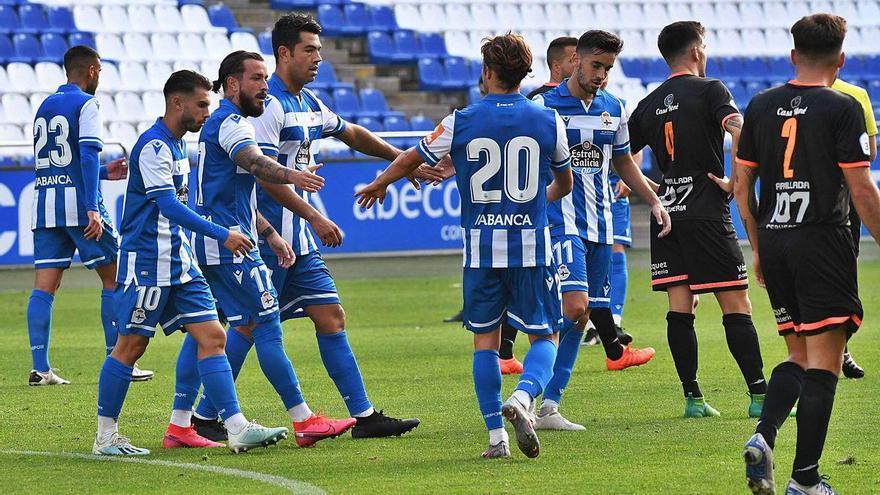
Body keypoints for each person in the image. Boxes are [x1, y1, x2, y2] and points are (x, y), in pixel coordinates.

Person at [193, 13, 420, 439]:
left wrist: (399, 161)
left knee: (330, 316)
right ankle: (208, 415)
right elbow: (263, 174)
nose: (318, 58)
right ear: (285, 53)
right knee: (246, 325)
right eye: (309, 50)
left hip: (300, 242)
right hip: (267, 238)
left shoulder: (308, 101)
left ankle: (365, 417)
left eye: (319, 49)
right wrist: (314, 215)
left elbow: (350, 131)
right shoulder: (266, 106)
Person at [356, 33, 573, 459]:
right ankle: (525, 398)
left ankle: (497, 439)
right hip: (531, 246)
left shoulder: (462, 120)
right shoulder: (548, 119)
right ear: (524, 73)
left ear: (488, 72)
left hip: (481, 250)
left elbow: (410, 159)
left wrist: (380, 183)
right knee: (545, 336)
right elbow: (563, 183)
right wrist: (529, 204)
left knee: (485, 344)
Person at [95, 70, 289, 455]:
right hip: (149, 262)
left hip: (181, 263)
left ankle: (235, 427)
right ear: (177, 103)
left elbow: (180, 208)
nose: (207, 111)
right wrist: (222, 234)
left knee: (214, 337)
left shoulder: (179, 146)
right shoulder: (152, 147)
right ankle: (105, 437)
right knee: (130, 347)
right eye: (201, 104)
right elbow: (166, 205)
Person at [179, 50, 353, 448]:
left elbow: (231, 191)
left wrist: (270, 232)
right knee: (265, 327)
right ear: (234, 84)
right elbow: (257, 165)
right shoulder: (230, 124)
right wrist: (294, 176)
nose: (264, 87)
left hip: (222, 240)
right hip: (230, 246)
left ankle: (182, 422)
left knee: (207, 332)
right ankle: (303, 419)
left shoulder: (223, 124)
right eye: (257, 79)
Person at [737, 14, 880, 495]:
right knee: (825, 360)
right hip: (822, 240)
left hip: (775, 239)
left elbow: (743, 187)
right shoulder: (844, 108)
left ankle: (764, 434)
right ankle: (805, 480)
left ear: (793, 55)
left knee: (798, 353)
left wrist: (758, 248)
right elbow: (862, 190)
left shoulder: (759, 105)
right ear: (841, 59)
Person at [627, 21, 769, 418]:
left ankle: (692, 399)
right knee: (736, 303)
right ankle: (759, 396)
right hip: (706, 212)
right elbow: (739, 126)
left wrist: (643, 187)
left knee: (681, 305)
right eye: (704, 46)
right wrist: (737, 179)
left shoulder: (649, 102)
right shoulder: (711, 90)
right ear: (695, 52)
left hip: (668, 213)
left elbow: (624, 151)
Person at [531, 30, 665, 431]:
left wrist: (653, 198)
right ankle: (524, 393)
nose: (602, 74)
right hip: (560, 222)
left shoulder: (613, 107)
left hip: (601, 226)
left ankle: (549, 406)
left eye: (608, 68)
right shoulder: (544, 105)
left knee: (580, 316)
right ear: (575, 61)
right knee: (571, 309)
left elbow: (624, 163)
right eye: (596, 66)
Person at [28, 45, 152, 386]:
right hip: (80, 208)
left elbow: (60, 160)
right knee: (113, 279)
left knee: (44, 288)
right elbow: (83, 154)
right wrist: (93, 208)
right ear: (92, 71)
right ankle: (119, 359)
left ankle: (40, 368)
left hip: (45, 205)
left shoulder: (45, 106)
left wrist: (100, 172)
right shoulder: (87, 103)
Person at [831, 77, 877, 379]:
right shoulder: (856, 95)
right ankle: (837, 350)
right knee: (844, 277)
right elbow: (870, 152)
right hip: (843, 200)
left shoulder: (786, 96)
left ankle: (837, 350)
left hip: (800, 203)